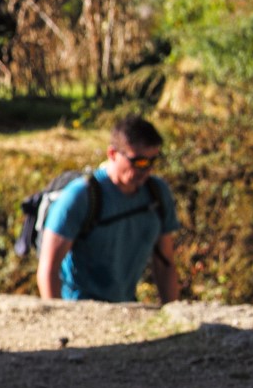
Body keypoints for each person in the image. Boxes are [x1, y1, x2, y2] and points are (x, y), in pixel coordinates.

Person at [36, 115, 179, 304]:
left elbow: (165, 262)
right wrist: (59, 323)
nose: (147, 169)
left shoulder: (157, 194)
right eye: (139, 162)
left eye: (153, 160)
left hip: (124, 307)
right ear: (112, 153)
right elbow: (48, 269)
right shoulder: (80, 197)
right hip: (79, 310)